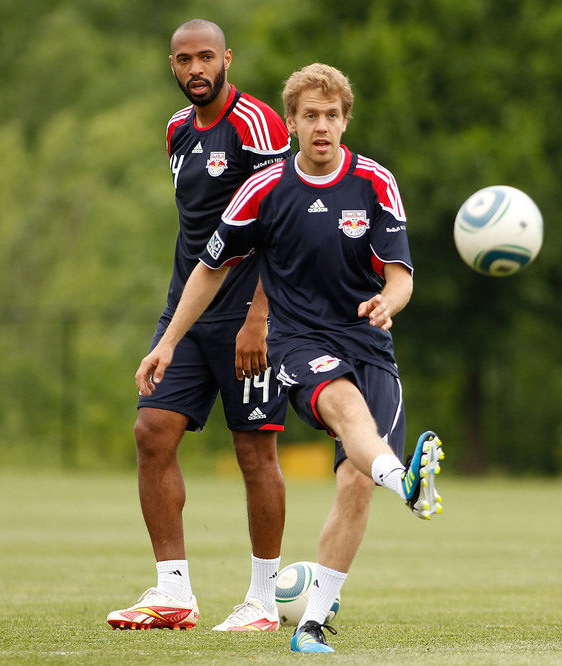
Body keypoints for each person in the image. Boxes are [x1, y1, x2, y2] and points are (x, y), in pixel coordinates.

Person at [134, 62, 444, 653]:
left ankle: (311, 625)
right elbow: (208, 268)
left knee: (355, 481)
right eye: (310, 116)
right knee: (347, 410)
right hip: (301, 345)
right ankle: (405, 483)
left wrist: (388, 303)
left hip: (370, 343)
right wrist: (168, 341)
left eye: (331, 115)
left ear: (345, 121)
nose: (321, 126)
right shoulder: (266, 188)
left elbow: (401, 277)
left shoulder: (376, 183)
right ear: (294, 123)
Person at [107, 19, 292, 632]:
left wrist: (262, 315)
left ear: (226, 58)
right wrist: (169, 332)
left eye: (206, 57)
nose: (196, 69)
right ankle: (173, 593)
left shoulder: (258, 124)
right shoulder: (175, 132)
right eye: (184, 60)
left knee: (254, 450)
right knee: (152, 430)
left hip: (253, 314)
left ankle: (263, 601)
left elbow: (280, 222)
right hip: (188, 309)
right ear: (172, 65)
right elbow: (195, 232)